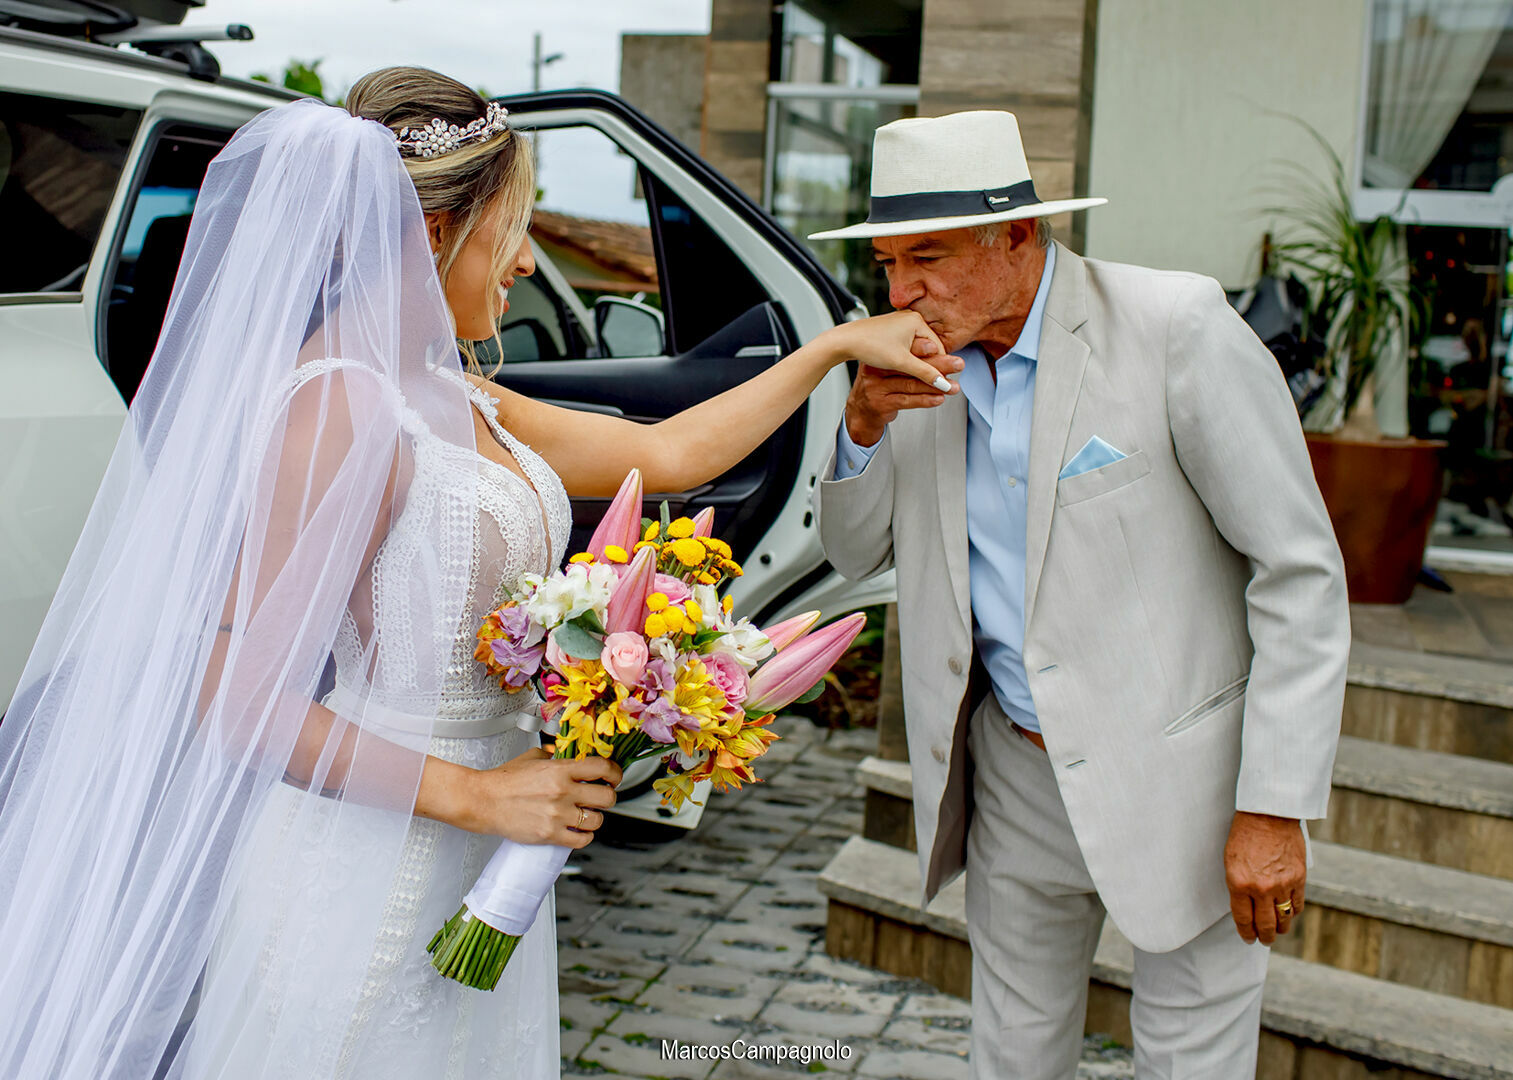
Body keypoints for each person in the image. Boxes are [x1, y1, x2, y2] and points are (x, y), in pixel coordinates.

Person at [0, 69, 951, 1079]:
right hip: (364, 866)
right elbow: (238, 698)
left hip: (481, 847)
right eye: (514, 228)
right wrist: (481, 799)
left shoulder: (453, 390)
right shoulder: (336, 407)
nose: (529, 261)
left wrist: (836, 351)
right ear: (432, 234)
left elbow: (670, 453)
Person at [812, 110, 1350, 1078]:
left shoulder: (1174, 325)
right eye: (887, 263)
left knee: (1193, 1060)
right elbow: (853, 554)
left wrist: (1272, 806)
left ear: (1016, 235)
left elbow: (1298, 573)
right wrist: (857, 423)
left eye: (926, 257)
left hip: (1186, 777)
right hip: (1010, 770)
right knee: (1012, 1052)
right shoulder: (908, 365)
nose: (901, 291)